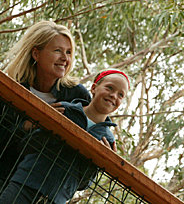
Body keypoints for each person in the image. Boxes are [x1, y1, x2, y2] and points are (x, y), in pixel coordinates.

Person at [0, 69, 129, 204]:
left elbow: (83, 183)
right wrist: (48, 127)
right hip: (24, 185)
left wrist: (99, 163)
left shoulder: (107, 140)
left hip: (57, 200)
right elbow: (27, 145)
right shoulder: (63, 110)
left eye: (121, 95)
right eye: (109, 88)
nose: (114, 95)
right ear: (94, 88)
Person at [0, 21, 91, 188]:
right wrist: (30, 124)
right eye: (58, 51)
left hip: (44, 191)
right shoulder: (9, 90)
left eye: (69, 52)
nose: (65, 58)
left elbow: (84, 175)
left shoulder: (78, 97)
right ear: (36, 54)